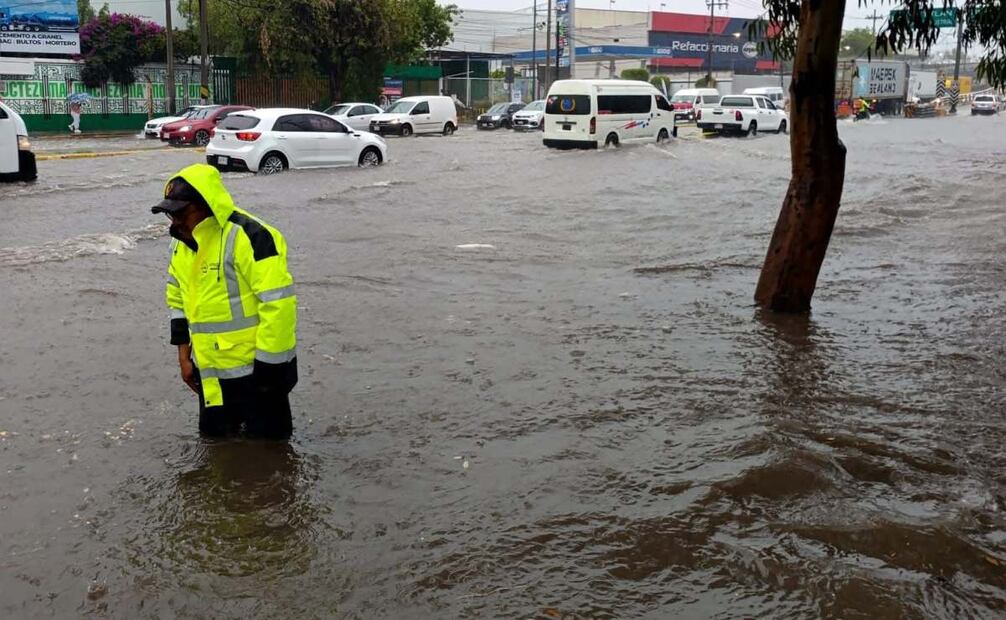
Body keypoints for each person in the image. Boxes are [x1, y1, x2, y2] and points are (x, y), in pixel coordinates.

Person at [153, 164, 298, 439]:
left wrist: (269, 375)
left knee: (271, 452)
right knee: (216, 447)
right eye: (170, 213)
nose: (175, 221)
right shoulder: (180, 244)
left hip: (259, 373)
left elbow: (278, 306)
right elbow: (176, 299)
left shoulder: (252, 237)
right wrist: (184, 356)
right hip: (211, 374)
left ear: (207, 205)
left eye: (182, 212)